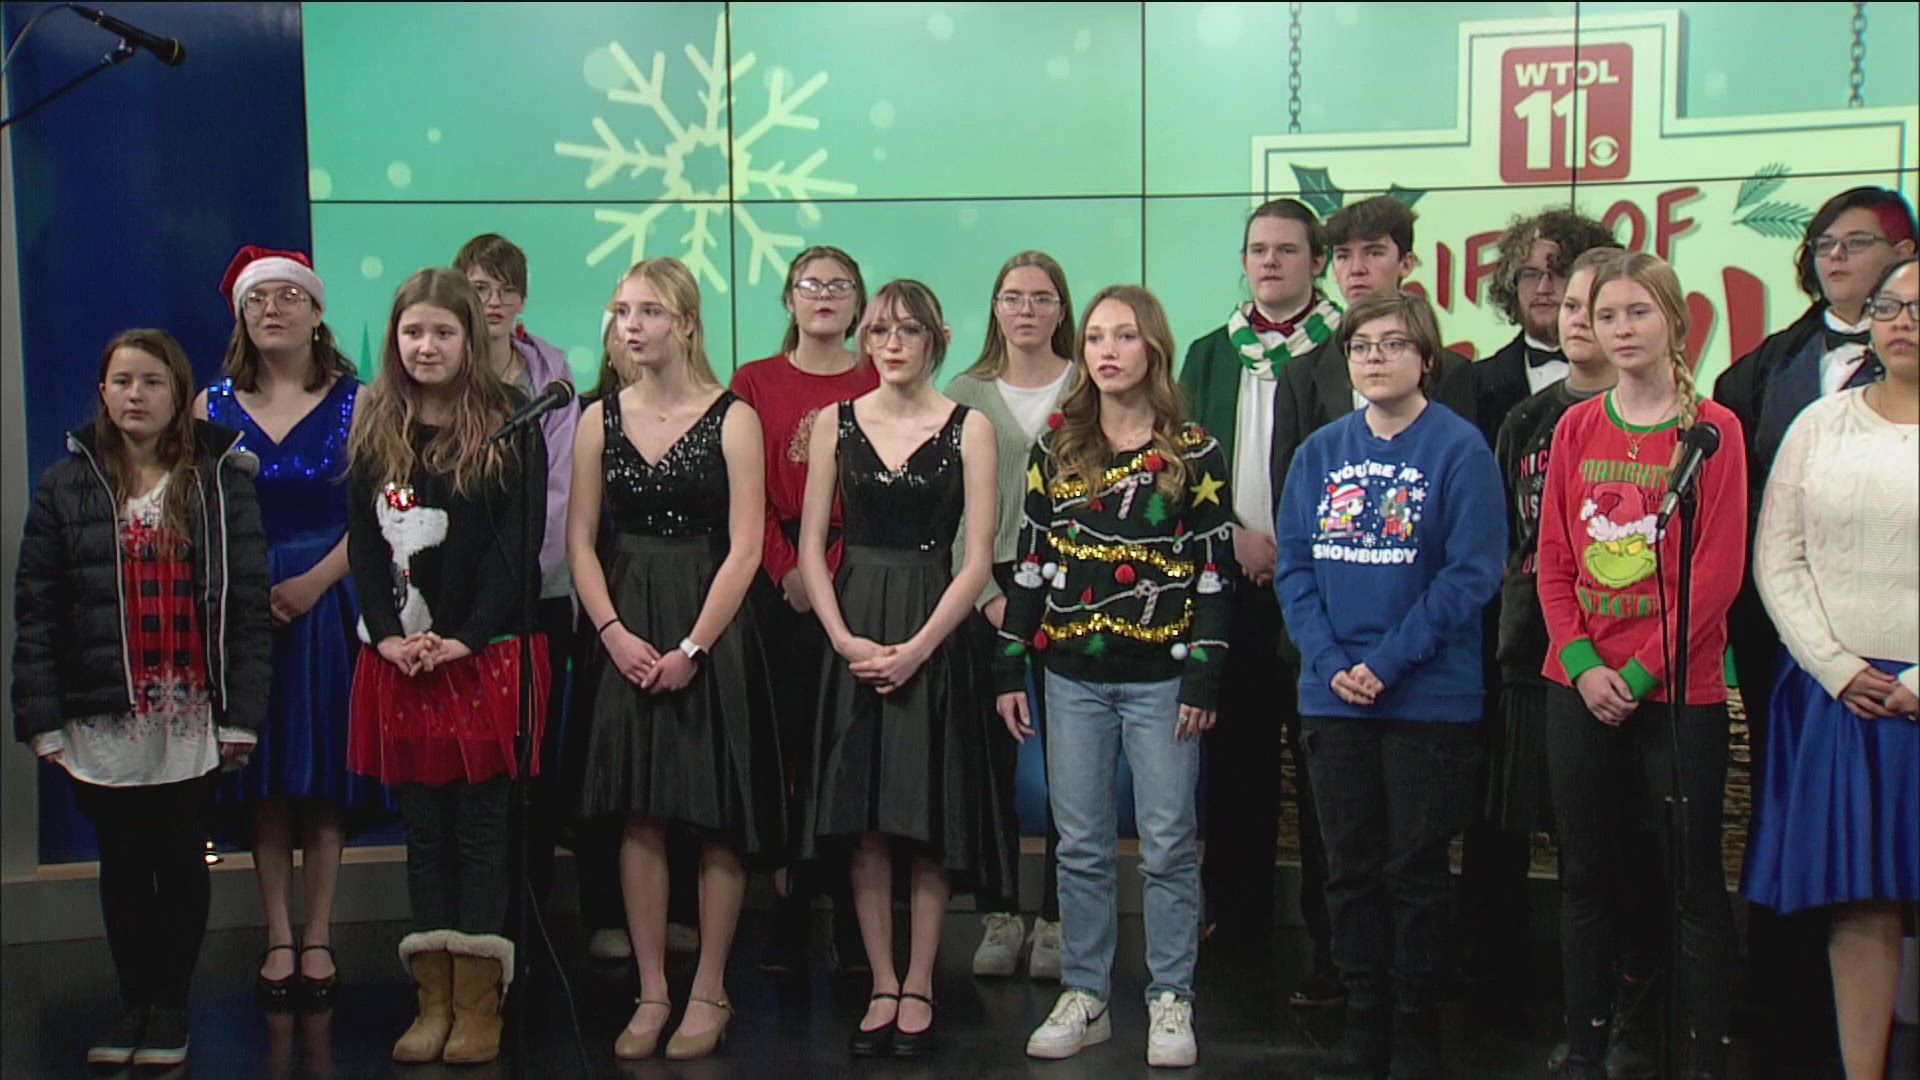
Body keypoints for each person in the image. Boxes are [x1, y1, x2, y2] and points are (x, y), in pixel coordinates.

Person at [14, 328, 271, 1068]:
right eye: (122, 381)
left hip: (192, 709)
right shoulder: (68, 484)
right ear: (103, 392)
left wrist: (243, 714)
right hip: (105, 712)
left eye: (152, 381)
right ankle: (133, 1005)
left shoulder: (221, 479)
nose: (136, 395)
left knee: (181, 861)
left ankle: (171, 1009)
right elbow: (41, 605)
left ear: (178, 394)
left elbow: (246, 604)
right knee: (123, 865)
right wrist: (41, 716)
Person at [1274, 290, 1504, 1080]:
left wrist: (1387, 662)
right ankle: (1361, 1018)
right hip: (1331, 696)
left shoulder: (1460, 448)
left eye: (1393, 344)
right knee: (1348, 867)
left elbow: (1471, 573)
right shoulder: (1321, 452)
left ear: (1426, 359)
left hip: (1427, 697)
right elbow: (1296, 567)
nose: (1374, 357)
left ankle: (1415, 1025)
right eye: (1361, 346)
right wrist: (1333, 663)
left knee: (1415, 869)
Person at [1003, 284, 1233, 1069]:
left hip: (1163, 679)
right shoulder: (1058, 446)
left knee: (1168, 841)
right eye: (1096, 336)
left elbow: (1215, 574)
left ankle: (1171, 996)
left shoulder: (1193, 452)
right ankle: (1087, 993)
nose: (1106, 350)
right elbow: (1031, 561)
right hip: (1069, 676)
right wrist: (1010, 663)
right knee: (1082, 843)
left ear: (1152, 350)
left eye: (1124, 336)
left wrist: (1204, 679)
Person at [1711, 188, 1915, 1064]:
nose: (1902, 321)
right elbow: (1776, 555)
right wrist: (1834, 665)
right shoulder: (1808, 413)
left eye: (1918, 307)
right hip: (1834, 687)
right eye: (1892, 309)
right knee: (1858, 898)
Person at [1536, 252, 1746, 1080]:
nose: (1621, 330)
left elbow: (1717, 571)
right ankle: (1586, 1042)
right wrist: (1585, 665)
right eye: (1608, 315)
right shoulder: (1577, 427)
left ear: (1673, 322)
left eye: (1637, 314)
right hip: (1579, 685)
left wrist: (1643, 675)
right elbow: (1552, 557)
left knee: (1691, 881)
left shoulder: (1713, 431)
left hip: (1678, 692)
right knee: (1585, 873)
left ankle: (1698, 1049)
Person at [571, 257, 783, 1060]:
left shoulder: (732, 418)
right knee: (641, 811)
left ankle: (710, 988)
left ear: (687, 324)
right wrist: (614, 633)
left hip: (710, 624)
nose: (632, 325)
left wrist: (693, 644)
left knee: (715, 811)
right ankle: (653, 989)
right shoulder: (598, 418)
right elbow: (581, 543)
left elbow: (744, 546)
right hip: (625, 618)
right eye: (622, 310)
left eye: (650, 311)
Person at [797, 279, 1011, 1057]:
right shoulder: (834, 423)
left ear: (936, 339)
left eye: (908, 331)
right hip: (853, 620)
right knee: (863, 822)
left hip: (935, 622)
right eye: (881, 330)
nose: (892, 344)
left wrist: (920, 646)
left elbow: (978, 556)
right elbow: (811, 548)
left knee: (925, 819)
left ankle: (920, 978)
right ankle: (881, 978)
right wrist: (842, 636)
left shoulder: (970, 429)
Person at [344, 268, 548, 1066]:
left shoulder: (507, 426)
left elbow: (517, 552)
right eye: (411, 333)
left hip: (482, 659)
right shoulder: (377, 424)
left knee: (483, 830)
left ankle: (479, 1001)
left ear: (471, 339)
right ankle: (430, 999)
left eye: (442, 333)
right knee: (423, 831)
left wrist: (462, 636)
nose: (425, 347)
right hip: (402, 661)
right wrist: (391, 636)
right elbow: (364, 545)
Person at [1495, 247, 1663, 1077]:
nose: (1575, 314)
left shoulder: (1679, 423)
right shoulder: (1533, 422)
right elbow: (1527, 544)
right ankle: (1581, 1017)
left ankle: (1641, 1009)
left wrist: (1626, 667)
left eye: (1599, 303)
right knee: (1573, 849)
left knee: (1640, 846)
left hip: (1647, 669)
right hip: (1546, 655)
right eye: (1568, 304)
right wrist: (1564, 646)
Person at [197, 246, 379, 1011]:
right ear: (241, 315)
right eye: (257, 300)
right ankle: (277, 934)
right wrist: (247, 591)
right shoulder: (212, 406)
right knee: (266, 776)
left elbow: (373, 510)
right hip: (244, 605)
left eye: (287, 297)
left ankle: (320, 934)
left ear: (315, 310)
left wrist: (313, 582)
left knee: (322, 777)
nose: (272, 310)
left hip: (327, 598)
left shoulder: (357, 400)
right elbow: (200, 514)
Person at [1460, 208, 1619, 1020]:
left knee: (1602, 829)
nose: (1549, 289)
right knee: (1499, 818)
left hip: (1614, 640)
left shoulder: (1649, 403)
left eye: (1566, 274)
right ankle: (1491, 977)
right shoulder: (1485, 390)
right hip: (1507, 635)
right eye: (1533, 273)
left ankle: (1609, 993)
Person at [1180, 199, 1339, 999]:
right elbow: (1180, 464)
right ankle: (1234, 924)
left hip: (1322, 595)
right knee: (1234, 767)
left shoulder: (1350, 350)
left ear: (1318, 261)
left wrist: (1295, 550)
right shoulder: (1210, 356)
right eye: (1256, 250)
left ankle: (1330, 938)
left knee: (1322, 771)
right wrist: (1235, 535)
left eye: (1286, 249)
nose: (1269, 262)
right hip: (1230, 583)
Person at [729, 245, 875, 976]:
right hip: (773, 584)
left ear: (859, 303)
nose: (824, 296)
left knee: (848, 752)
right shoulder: (754, 381)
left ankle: (854, 915)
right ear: (789, 298)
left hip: (860, 584)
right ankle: (788, 904)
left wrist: (827, 577)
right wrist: (790, 570)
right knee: (786, 752)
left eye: (840, 286)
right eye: (810, 284)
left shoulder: (877, 376)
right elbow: (743, 496)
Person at [946, 251, 1075, 981]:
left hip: (1075, 592)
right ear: (995, 308)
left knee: (1071, 765)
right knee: (988, 763)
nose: (1026, 310)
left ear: (1063, 309)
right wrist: (987, 594)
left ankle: (1058, 918)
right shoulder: (965, 391)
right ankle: (998, 913)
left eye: (1041, 297)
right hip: (983, 588)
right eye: (1012, 297)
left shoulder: (1088, 385)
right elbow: (957, 506)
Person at [451, 235, 582, 932]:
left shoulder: (550, 375)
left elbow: (560, 488)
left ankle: (529, 913)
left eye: (505, 289)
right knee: (472, 761)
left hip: (542, 589)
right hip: (457, 601)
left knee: (531, 754)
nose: (493, 302)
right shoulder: (438, 368)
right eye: (479, 287)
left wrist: (524, 576)